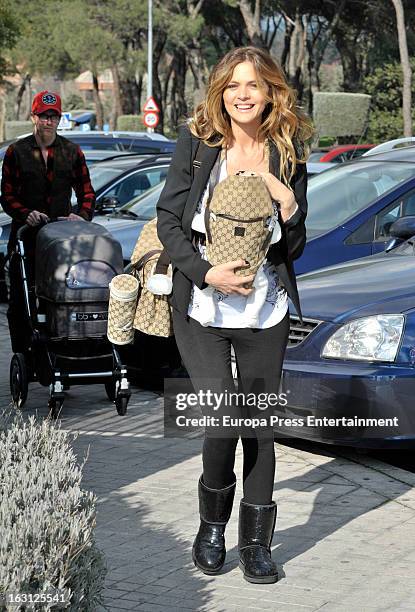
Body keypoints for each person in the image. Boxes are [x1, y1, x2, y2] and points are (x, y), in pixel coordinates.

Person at [157, 47, 313, 584]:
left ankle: (257, 545)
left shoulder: (287, 152)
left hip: (263, 310)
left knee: (260, 428)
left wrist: (284, 201)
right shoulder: (199, 146)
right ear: (220, 92)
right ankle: (211, 528)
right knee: (222, 420)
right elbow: (167, 221)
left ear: (271, 91)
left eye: (253, 85)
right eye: (232, 85)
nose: (242, 94)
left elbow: (295, 242)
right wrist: (206, 272)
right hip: (201, 307)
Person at [1, 90, 96, 357]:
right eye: (43, 116)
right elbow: (6, 195)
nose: (48, 121)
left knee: (62, 299)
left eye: (53, 116)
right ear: (34, 117)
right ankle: (24, 357)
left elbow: (87, 192)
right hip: (26, 241)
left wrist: (83, 215)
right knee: (20, 303)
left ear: (59, 119)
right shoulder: (16, 152)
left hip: (61, 243)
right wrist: (25, 213)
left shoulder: (72, 152)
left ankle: (61, 355)